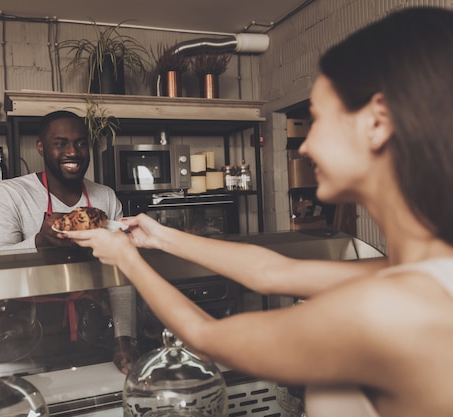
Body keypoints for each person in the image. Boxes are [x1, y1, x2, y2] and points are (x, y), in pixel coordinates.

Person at [63, 7, 453, 417]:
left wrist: (126, 258)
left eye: (317, 118)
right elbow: (273, 273)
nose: (304, 146)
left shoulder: (393, 309)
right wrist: (160, 236)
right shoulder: (419, 276)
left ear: (377, 123)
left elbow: (206, 337)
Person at [0, 110, 139, 374]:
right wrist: (40, 242)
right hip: (27, 333)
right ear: (41, 147)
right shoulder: (9, 194)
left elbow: (121, 274)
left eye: (80, 143)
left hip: (95, 328)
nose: (73, 152)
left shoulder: (105, 197)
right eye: (61, 143)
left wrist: (124, 337)